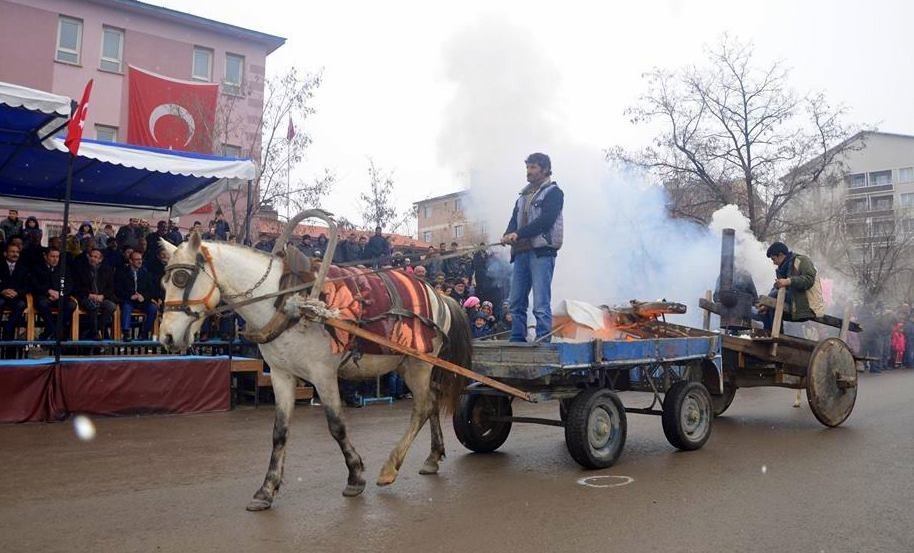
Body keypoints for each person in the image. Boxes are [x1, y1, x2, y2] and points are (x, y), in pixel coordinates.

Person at [502, 152, 564, 342]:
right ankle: (517, 338)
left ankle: (543, 340)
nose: (528, 171)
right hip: (521, 252)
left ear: (545, 170)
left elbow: (545, 221)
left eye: (533, 167)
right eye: (527, 167)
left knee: (540, 302)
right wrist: (508, 233)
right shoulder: (522, 196)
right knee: (516, 301)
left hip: (541, 252)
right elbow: (514, 220)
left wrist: (519, 234)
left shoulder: (554, 192)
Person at [760, 242, 824, 331]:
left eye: (774, 259)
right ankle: (768, 334)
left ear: (780, 255)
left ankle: (776, 336)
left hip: (807, 305)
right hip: (793, 302)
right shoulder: (781, 270)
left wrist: (788, 281)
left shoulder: (802, 260)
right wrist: (766, 303)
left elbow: (809, 280)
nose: (774, 263)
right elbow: (777, 288)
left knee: (774, 297)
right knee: (767, 308)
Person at [31, 247, 76, 340]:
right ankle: (54, 330)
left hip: (61, 296)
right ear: (45, 256)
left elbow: (70, 285)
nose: (55, 259)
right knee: (42, 304)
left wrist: (60, 294)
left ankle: (52, 330)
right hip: (44, 296)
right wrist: (48, 291)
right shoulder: (37, 268)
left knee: (71, 305)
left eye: (57, 257)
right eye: (52, 256)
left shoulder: (64, 269)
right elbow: (34, 284)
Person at [74, 248, 117, 340]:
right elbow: (77, 287)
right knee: (93, 307)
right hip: (86, 297)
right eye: (91, 256)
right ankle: (94, 334)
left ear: (100, 259)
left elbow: (111, 288)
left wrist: (103, 296)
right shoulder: (81, 270)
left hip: (101, 297)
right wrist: (90, 295)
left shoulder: (107, 270)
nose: (93, 259)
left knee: (111, 306)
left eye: (96, 257)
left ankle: (97, 329)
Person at [115, 251, 159, 341]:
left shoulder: (146, 273)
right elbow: (118, 289)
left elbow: (152, 290)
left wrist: (143, 296)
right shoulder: (122, 273)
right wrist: (130, 296)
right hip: (128, 299)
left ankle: (144, 332)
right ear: (130, 261)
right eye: (137, 259)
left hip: (142, 300)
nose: (140, 262)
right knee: (127, 307)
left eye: (141, 259)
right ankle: (126, 333)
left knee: (153, 308)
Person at [0, 243, 28, 340]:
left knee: (21, 305)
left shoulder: (23, 267)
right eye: (12, 252)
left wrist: (17, 292)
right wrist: (2, 291)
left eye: (17, 252)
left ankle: (8, 330)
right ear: (5, 253)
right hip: (1, 295)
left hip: (16, 296)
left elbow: (28, 285)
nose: (15, 254)